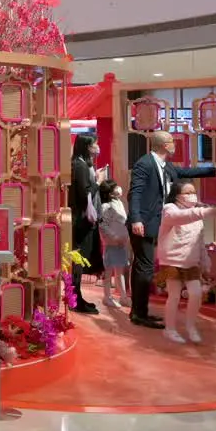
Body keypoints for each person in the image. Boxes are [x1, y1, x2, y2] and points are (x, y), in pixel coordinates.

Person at [127, 130, 216, 329]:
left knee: (144, 267)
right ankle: (139, 314)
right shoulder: (145, 164)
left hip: (158, 223)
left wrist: (215, 170)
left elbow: (186, 172)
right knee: (145, 267)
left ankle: (139, 311)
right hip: (145, 223)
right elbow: (135, 193)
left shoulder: (165, 166)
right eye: (172, 142)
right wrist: (136, 219)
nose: (175, 145)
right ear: (165, 145)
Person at [156, 182, 216, 343]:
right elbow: (180, 218)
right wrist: (206, 211)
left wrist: (205, 261)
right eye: (187, 192)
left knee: (196, 294)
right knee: (174, 296)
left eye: (193, 191)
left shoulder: (197, 217)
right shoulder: (170, 209)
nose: (192, 195)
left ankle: (191, 326)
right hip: (171, 260)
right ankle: (169, 329)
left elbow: (199, 241)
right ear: (177, 195)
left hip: (191, 262)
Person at [68, 134, 105, 314]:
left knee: (79, 260)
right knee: (77, 260)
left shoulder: (83, 164)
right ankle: (74, 299)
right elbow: (85, 192)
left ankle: (77, 297)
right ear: (86, 146)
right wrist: (98, 182)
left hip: (81, 219)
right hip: (80, 220)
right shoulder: (80, 165)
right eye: (94, 144)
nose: (97, 147)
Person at [98, 180, 130, 309]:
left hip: (121, 242)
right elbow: (103, 225)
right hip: (112, 243)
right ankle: (107, 297)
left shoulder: (119, 203)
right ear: (110, 192)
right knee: (108, 271)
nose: (118, 188)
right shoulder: (107, 206)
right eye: (115, 187)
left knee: (120, 271)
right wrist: (114, 237)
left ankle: (123, 296)